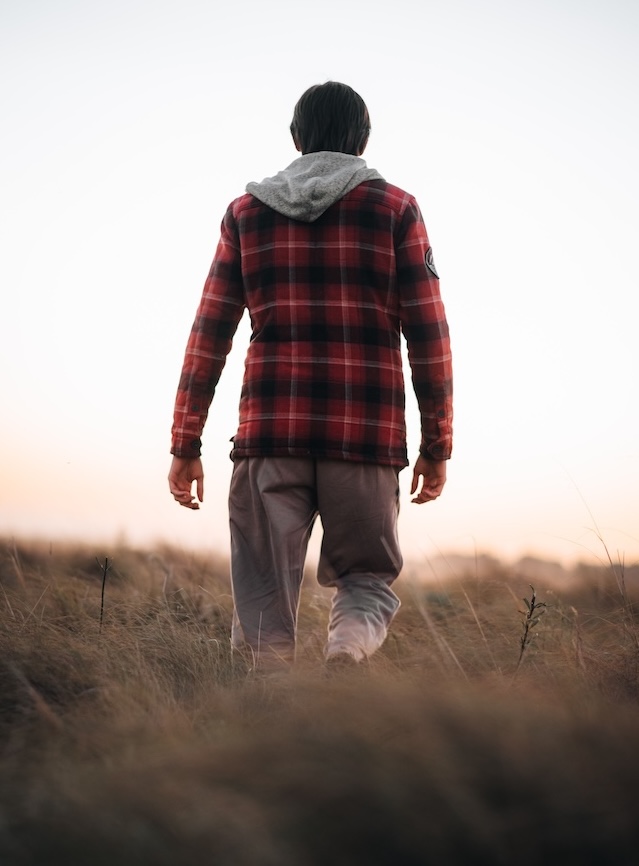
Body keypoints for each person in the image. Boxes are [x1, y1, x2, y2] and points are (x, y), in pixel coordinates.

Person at [168, 81, 453, 672]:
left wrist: (185, 443)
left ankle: (270, 713)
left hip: (270, 435)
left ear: (296, 139)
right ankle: (347, 648)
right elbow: (429, 334)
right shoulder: (396, 209)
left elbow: (209, 334)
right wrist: (437, 444)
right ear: (363, 140)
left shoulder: (245, 214)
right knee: (368, 579)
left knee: (262, 599)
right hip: (365, 437)